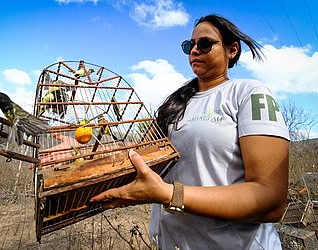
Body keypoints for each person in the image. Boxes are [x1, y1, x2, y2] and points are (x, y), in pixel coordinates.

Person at [90, 14, 290, 250]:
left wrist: (170, 195)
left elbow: (271, 200)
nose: (194, 50)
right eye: (189, 45)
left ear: (232, 50)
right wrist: (85, 152)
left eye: (204, 44)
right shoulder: (175, 104)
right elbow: (138, 160)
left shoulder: (248, 93)